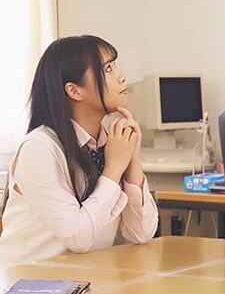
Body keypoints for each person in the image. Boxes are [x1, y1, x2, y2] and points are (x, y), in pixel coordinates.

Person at [0, 35, 158, 268]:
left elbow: (141, 233)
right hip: (27, 285)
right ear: (74, 91)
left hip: (83, 280)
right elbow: (78, 237)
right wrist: (113, 170)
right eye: (107, 69)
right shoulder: (39, 147)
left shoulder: (108, 141)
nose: (121, 76)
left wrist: (132, 158)